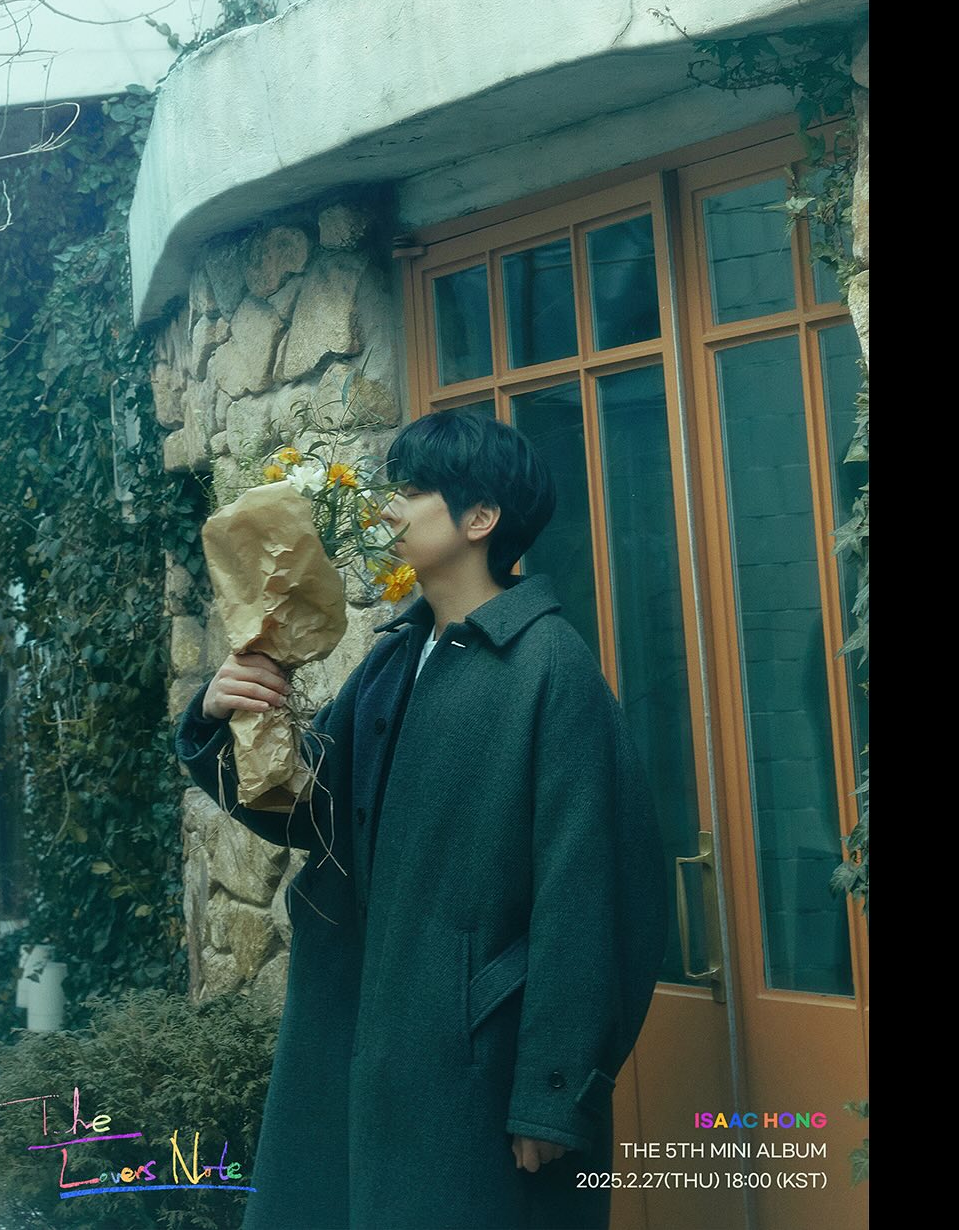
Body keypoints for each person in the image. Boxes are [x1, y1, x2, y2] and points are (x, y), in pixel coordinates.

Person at [175, 411, 667, 1230]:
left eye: (412, 490)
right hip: (353, 1038)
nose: (388, 507)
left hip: (472, 1069)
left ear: (481, 519)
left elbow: (592, 898)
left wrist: (553, 1096)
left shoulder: (551, 669)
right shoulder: (395, 657)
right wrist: (220, 714)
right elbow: (313, 814)